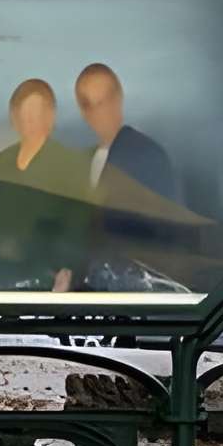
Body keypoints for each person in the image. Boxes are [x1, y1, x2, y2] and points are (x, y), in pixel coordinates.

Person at [0, 77, 93, 291]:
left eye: (38, 112)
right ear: (15, 116)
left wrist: (67, 270)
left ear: (50, 117)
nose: (31, 120)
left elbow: (77, 225)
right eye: (25, 112)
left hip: (46, 282)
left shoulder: (70, 164)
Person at [74, 61, 184, 284]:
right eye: (88, 104)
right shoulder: (86, 161)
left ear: (118, 99)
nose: (96, 112)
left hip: (134, 288)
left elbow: (169, 233)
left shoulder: (147, 156)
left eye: (102, 101)